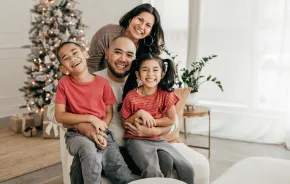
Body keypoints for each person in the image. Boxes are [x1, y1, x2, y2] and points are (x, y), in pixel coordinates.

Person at [54, 41, 138, 184]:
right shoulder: (64, 84)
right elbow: (59, 115)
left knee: (118, 168)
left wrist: (100, 130)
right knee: (88, 151)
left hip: (103, 133)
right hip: (75, 135)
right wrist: (91, 119)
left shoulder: (102, 83)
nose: (72, 58)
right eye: (66, 58)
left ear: (85, 53)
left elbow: (108, 113)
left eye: (75, 53)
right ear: (63, 68)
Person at [119, 54, 194, 183]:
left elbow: (171, 120)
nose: (150, 74)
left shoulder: (166, 94)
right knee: (152, 170)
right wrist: (139, 114)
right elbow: (124, 122)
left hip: (158, 140)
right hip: (136, 141)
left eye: (155, 70)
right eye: (145, 70)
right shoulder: (131, 96)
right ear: (138, 75)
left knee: (187, 168)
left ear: (162, 74)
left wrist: (151, 123)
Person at [87, 3, 165, 73]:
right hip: (101, 83)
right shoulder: (106, 34)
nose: (141, 26)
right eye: (140, 19)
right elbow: (91, 67)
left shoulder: (149, 49)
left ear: (150, 32)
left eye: (148, 25)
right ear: (130, 19)